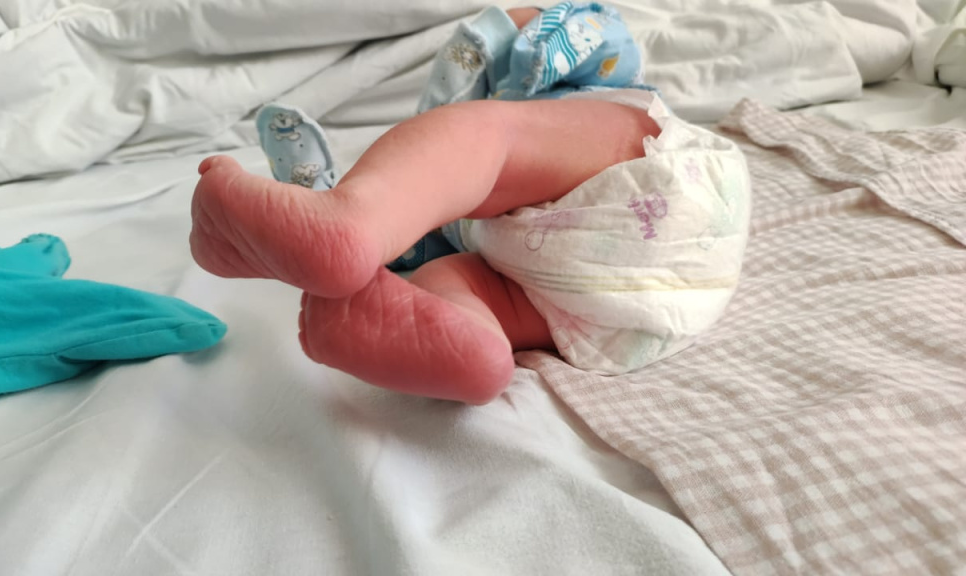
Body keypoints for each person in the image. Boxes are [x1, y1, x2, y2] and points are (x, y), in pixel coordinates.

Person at [189, 3, 751, 404]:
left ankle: (354, 218)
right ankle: (478, 345)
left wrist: (506, 30)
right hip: (654, 316)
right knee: (455, 277)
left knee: (483, 134)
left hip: (668, 176)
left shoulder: (604, 79)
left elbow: (559, 28)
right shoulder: (529, 173)